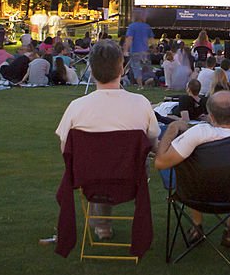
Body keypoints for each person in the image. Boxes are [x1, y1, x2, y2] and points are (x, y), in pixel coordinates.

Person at [54, 39, 160, 240]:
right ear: (122, 68)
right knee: (110, 163)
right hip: (131, 178)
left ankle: (102, 226)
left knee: (99, 163)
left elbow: (65, 150)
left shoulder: (77, 107)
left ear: (91, 71)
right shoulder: (140, 104)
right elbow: (153, 143)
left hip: (90, 178)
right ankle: (102, 224)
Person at [154, 91, 230, 247]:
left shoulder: (198, 134)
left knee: (196, 173)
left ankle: (196, 226)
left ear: (210, 115)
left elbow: (160, 162)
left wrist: (172, 128)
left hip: (193, 197)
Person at [123, 17, 155, 87]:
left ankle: (140, 85)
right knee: (147, 68)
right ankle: (148, 81)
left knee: (136, 69)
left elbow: (129, 38)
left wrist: (125, 50)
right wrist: (154, 48)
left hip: (135, 51)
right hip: (145, 51)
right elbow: (152, 39)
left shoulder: (132, 26)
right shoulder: (147, 26)